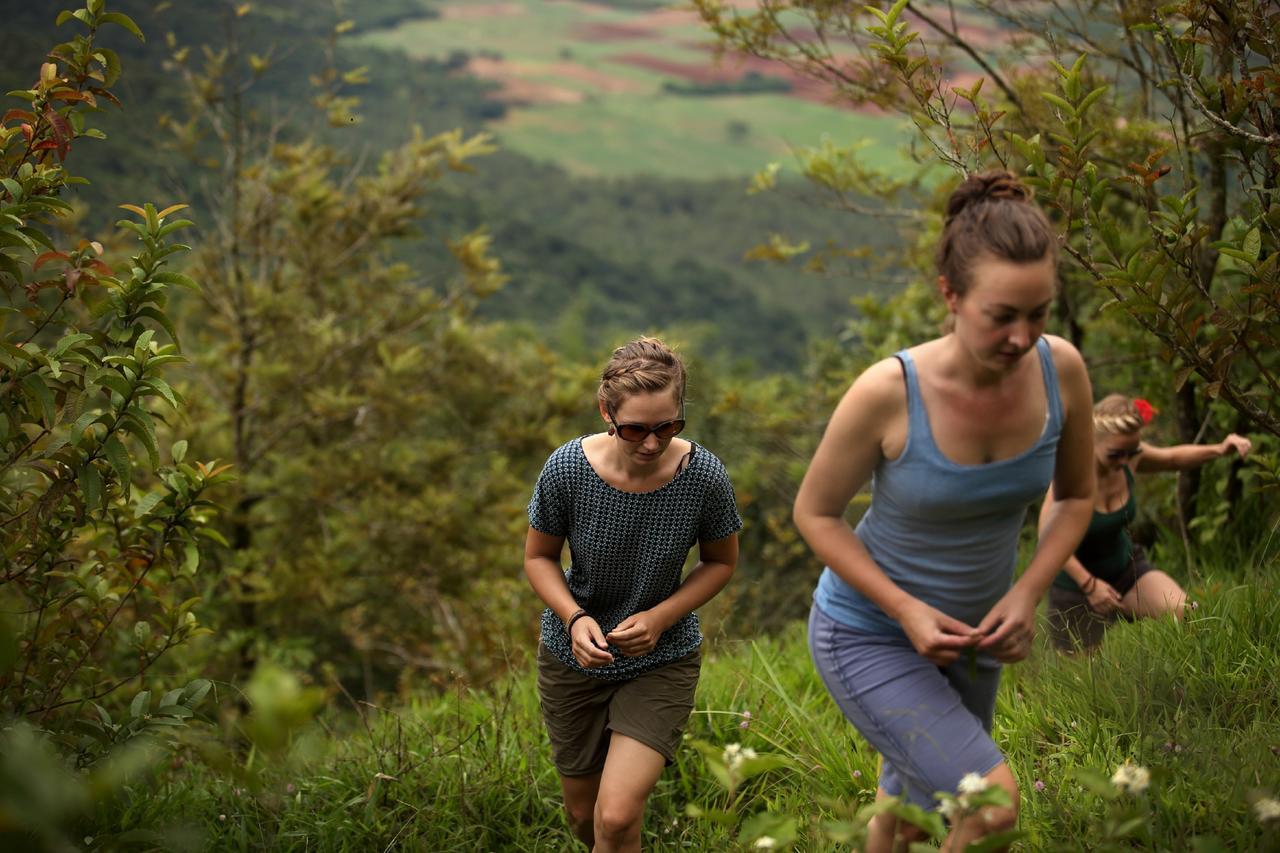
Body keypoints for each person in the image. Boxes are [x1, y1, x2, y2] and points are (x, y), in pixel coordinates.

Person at [793, 170, 1096, 852]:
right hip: (867, 631)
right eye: (1002, 315)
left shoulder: (1063, 371)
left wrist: (1026, 594)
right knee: (989, 805)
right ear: (951, 296)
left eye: (1039, 313)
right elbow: (815, 514)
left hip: (975, 639)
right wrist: (904, 609)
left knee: (908, 815)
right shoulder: (888, 391)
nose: (1023, 337)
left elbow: (1076, 496)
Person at [523, 337, 742, 853]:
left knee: (617, 817)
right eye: (635, 429)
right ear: (606, 412)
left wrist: (662, 617)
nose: (651, 443)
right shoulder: (567, 469)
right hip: (572, 657)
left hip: (661, 657)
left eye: (667, 426)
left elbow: (721, 562)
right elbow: (538, 558)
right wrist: (575, 618)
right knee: (585, 816)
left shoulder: (703, 477)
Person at [1042, 394, 1252, 651]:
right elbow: (1047, 538)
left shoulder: (1129, 456)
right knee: (1085, 679)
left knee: (1187, 612)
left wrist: (1220, 449)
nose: (1124, 461)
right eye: (1115, 454)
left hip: (1124, 570)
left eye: (1131, 452)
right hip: (1075, 586)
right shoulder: (1069, 474)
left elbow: (1173, 458)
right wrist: (1090, 585)